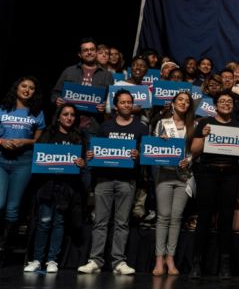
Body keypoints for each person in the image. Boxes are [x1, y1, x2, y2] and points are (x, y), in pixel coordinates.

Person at [78, 90, 146, 275]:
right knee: (100, 222)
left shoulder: (141, 128)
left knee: (122, 223)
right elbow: (96, 152)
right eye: (122, 102)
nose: (126, 105)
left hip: (127, 181)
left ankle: (118, 262)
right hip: (104, 179)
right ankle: (95, 260)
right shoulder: (105, 127)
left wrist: (139, 155)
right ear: (116, 106)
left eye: (129, 102)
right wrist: (91, 155)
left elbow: (146, 155)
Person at [188, 92, 239, 279]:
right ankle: (197, 264)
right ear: (215, 105)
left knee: (226, 218)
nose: (226, 104)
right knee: (204, 217)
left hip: (231, 173)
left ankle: (225, 263)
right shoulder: (204, 123)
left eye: (229, 101)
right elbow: (194, 151)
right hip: (207, 173)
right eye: (222, 101)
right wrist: (205, 137)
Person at [24, 103, 86, 273]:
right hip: (47, 185)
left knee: (59, 222)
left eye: (72, 115)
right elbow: (39, 158)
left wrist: (81, 163)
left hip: (67, 187)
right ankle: (37, 259)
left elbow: (83, 162)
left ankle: (52, 260)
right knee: (44, 222)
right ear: (59, 116)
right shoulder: (48, 134)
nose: (69, 117)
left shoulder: (78, 137)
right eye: (65, 114)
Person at [1, 76, 45, 259]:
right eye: (24, 86)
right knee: (0, 203)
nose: (27, 90)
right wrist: (1, 141)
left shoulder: (36, 112)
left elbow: (39, 140)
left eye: (32, 88)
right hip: (1, 160)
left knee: (13, 207)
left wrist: (25, 141)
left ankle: (3, 247)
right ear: (16, 88)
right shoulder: (3, 109)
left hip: (24, 162)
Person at [152, 91, 195, 276]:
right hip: (164, 174)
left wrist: (190, 160)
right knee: (163, 217)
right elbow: (152, 149)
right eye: (180, 100)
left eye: (187, 101)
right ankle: (159, 259)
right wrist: (159, 143)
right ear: (173, 102)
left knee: (177, 218)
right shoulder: (162, 123)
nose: (183, 103)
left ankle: (171, 258)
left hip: (184, 176)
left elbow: (195, 150)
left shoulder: (193, 125)